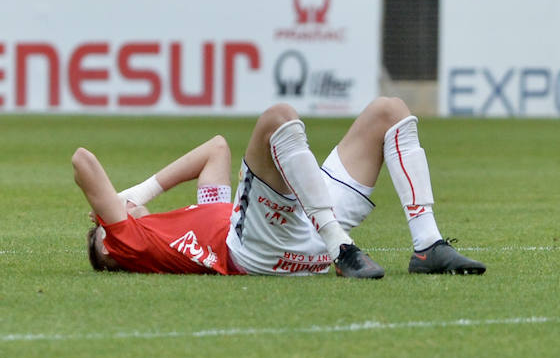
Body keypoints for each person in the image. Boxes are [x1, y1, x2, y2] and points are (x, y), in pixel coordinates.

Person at [74, 96, 486, 278]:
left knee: (389, 111)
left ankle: (427, 244)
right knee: (277, 118)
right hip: (257, 246)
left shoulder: (179, 229)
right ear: (111, 245)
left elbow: (215, 150)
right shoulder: (129, 241)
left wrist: (142, 195)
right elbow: (82, 161)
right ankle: (341, 247)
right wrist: (122, 207)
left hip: (292, 235)